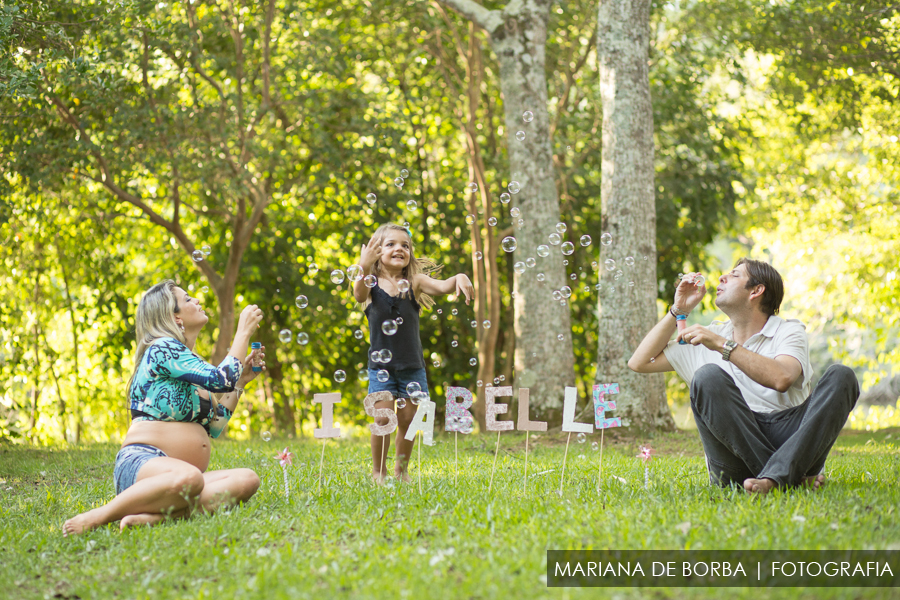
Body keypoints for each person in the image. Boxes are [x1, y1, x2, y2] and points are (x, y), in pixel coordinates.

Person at [627, 258, 859, 494]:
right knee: (706, 376)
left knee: (842, 376)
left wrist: (721, 345)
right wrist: (678, 310)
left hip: (790, 439)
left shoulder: (787, 330)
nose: (721, 278)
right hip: (733, 459)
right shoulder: (710, 335)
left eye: (735, 275)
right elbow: (639, 362)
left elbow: (782, 378)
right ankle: (788, 479)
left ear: (757, 291)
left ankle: (775, 479)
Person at [63, 280, 265, 535]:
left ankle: (152, 518)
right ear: (174, 316)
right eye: (189, 299)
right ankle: (97, 517)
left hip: (180, 480)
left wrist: (242, 382)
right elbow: (221, 380)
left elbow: (213, 427)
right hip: (144, 466)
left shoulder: (190, 363)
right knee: (191, 478)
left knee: (247, 479)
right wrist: (243, 333)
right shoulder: (161, 348)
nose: (197, 301)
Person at [352, 224, 474, 484]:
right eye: (391, 244)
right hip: (380, 367)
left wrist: (460, 277)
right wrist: (363, 266)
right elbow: (357, 292)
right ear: (377, 251)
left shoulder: (415, 282)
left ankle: (402, 471)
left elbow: (442, 286)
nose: (399, 249)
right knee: (383, 419)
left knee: (408, 420)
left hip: (412, 367)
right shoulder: (370, 284)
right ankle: (378, 472)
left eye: (405, 246)